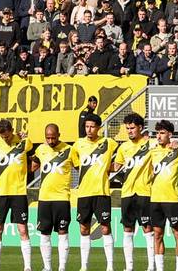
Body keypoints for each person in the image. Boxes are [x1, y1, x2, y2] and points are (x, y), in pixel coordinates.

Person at [0, 120, 31, 271]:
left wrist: (22, 137)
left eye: (8, 136)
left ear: (12, 131)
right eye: (3, 136)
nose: (5, 139)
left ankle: (28, 267)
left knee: (23, 230)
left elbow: (30, 148)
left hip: (18, 192)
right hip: (0, 193)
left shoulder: (24, 141)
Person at [71, 114, 116, 271]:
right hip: (83, 193)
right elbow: (77, 165)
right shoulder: (78, 145)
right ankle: (84, 266)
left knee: (105, 227)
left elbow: (126, 150)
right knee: (84, 229)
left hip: (102, 192)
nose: (89, 130)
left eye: (92, 127)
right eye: (86, 126)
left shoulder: (108, 143)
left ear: (99, 128)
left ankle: (110, 266)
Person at [111, 114, 155, 271]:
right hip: (127, 193)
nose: (129, 131)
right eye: (127, 128)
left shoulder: (151, 145)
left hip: (144, 192)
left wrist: (174, 143)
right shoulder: (123, 147)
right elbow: (116, 167)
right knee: (127, 229)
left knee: (148, 229)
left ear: (140, 128)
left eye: (132, 128)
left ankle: (151, 266)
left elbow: (166, 147)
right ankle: (129, 267)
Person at [148, 120, 178, 271]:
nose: (158, 136)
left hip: (172, 199)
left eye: (162, 133)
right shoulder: (152, 151)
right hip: (155, 199)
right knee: (157, 234)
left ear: (170, 135)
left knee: (177, 233)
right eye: (157, 133)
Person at [32, 123, 72, 271]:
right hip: (44, 198)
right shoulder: (40, 149)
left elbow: (81, 167)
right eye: (47, 138)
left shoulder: (69, 150)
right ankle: (47, 267)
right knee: (44, 233)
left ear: (59, 135)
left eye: (53, 138)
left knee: (63, 232)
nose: (50, 141)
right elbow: (32, 167)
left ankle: (62, 268)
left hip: (62, 198)